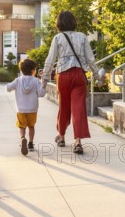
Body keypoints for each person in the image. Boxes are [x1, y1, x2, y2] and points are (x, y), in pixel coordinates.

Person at [41, 10, 103, 154]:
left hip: (63, 75)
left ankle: (61, 137)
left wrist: (44, 80)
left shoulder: (57, 38)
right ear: (73, 22)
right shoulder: (82, 37)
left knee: (64, 106)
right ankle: (77, 142)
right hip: (79, 74)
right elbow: (90, 59)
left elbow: (50, 60)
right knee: (78, 108)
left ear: (59, 23)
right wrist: (98, 77)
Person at [6, 58, 46, 155]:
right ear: (33, 70)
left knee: (21, 126)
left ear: (21, 70)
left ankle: (23, 138)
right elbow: (41, 94)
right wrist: (43, 84)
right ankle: (31, 144)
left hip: (21, 109)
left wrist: (9, 84)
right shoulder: (36, 81)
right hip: (32, 109)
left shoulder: (18, 80)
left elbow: (8, 88)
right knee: (31, 126)